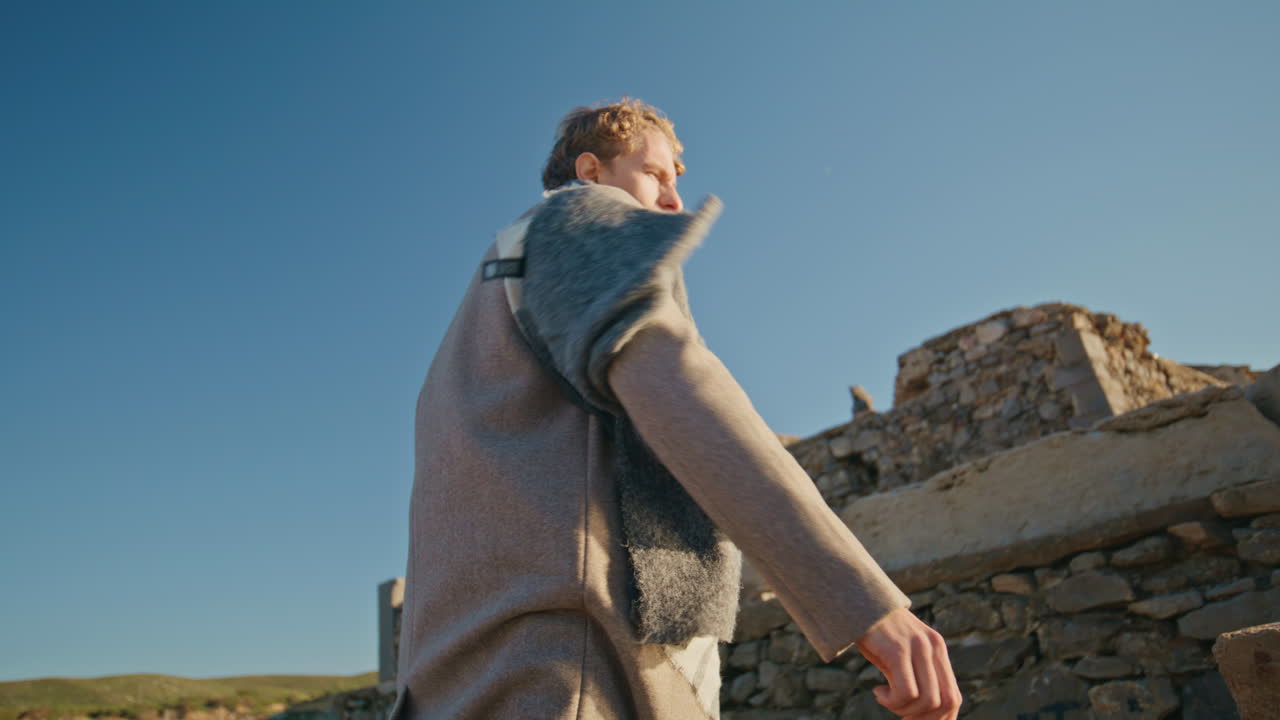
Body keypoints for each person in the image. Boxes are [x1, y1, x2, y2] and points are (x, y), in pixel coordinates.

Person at [392, 98, 962, 720]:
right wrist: (861, 600)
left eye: (675, 182)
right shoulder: (581, 217)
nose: (671, 200)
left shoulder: (473, 326)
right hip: (575, 669)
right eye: (654, 174)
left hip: (466, 677)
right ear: (590, 171)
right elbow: (681, 387)